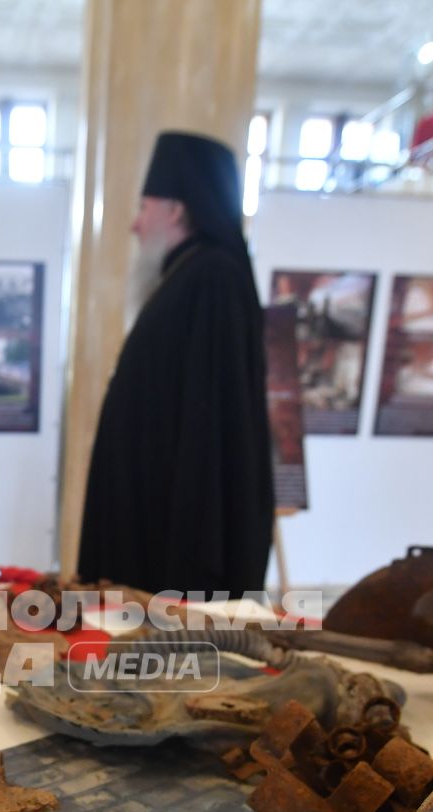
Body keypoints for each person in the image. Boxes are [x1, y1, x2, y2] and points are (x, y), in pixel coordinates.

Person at [77, 130, 275, 596]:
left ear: (177, 210)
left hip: (172, 547)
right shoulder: (190, 277)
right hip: (152, 529)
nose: (135, 224)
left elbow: (209, 436)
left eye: (144, 207)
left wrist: (188, 563)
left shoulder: (212, 280)